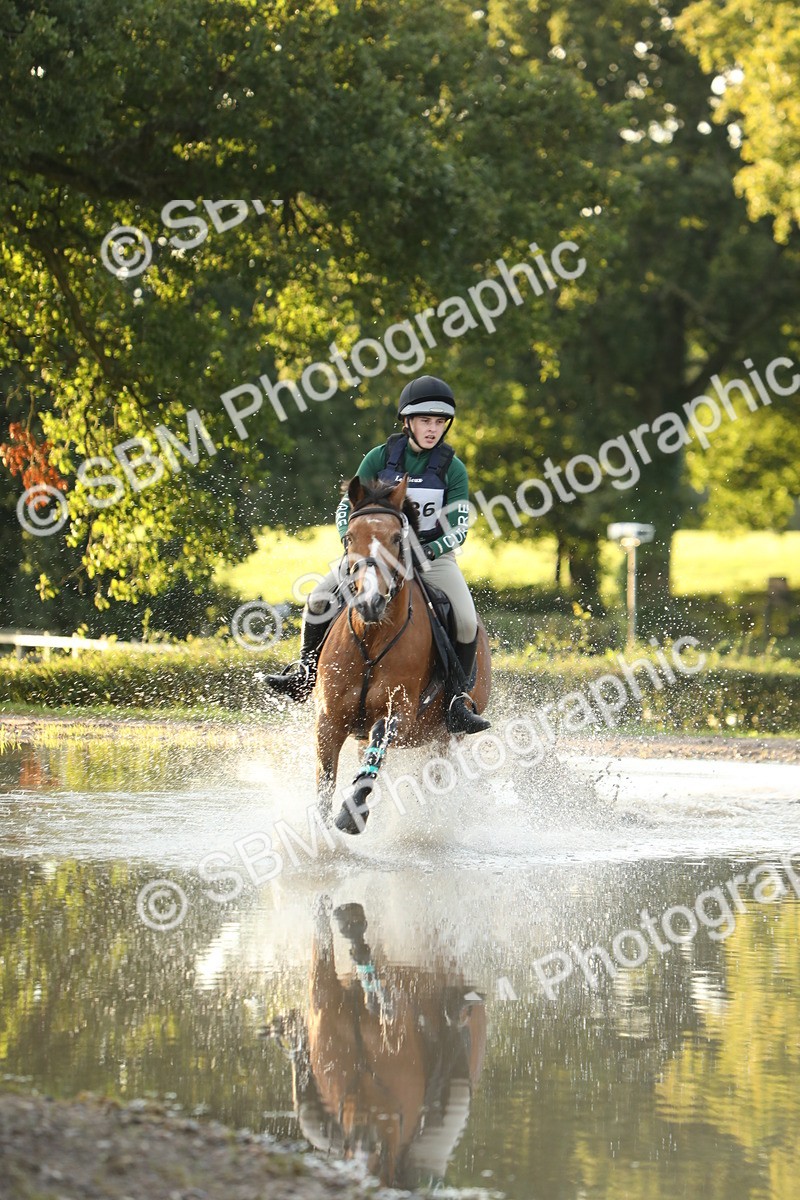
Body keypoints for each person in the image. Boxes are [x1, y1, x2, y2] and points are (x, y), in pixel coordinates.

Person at [264, 375, 490, 734]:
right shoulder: (380, 457)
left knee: (465, 620)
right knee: (320, 597)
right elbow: (346, 508)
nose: (432, 430)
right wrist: (350, 541)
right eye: (425, 421)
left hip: (432, 559)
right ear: (407, 422)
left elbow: (459, 526)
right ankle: (306, 673)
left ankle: (455, 701)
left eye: (439, 423)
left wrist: (424, 550)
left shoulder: (453, 468)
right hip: (372, 556)